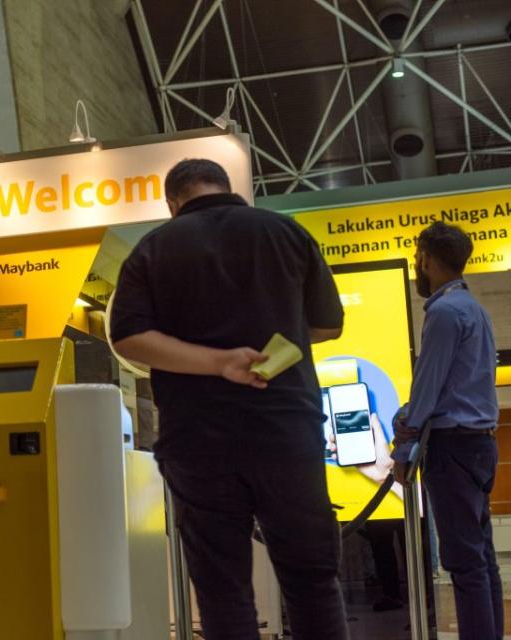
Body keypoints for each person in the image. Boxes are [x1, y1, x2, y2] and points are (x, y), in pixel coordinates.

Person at [110, 159, 348, 640]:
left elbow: (129, 338)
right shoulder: (286, 234)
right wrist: (269, 346)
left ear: (172, 202)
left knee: (222, 589)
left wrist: (218, 362)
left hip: (198, 440)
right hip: (286, 430)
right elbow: (328, 324)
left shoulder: (152, 248)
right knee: (312, 582)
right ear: (230, 187)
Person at [392, 221, 501, 640]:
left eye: (419, 256)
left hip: (452, 447)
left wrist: (405, 447)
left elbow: (429, 384)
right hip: (479, 445)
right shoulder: (473, 308)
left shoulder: (443, 312)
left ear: (427, 259)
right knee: (481, 559)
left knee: (463, 562)